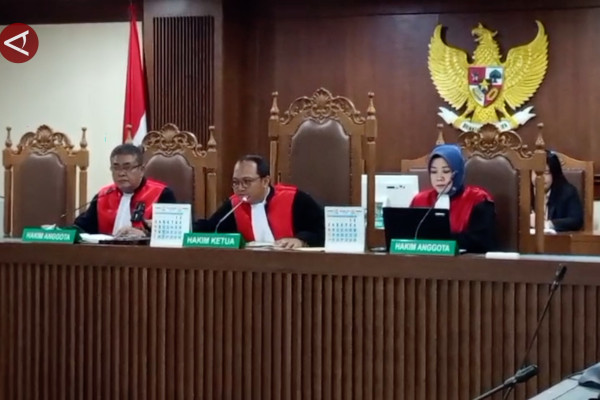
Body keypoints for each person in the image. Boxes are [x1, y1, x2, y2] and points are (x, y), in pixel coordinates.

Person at [193, 155, 325, 248]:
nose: (240, 188)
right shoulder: (234, 205)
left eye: (247, 181)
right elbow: (210, 228)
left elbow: (322, 229)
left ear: (265, 181)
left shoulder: (295, 199)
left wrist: (301, 240)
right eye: (236, 182)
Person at [74, 143, 176, 237]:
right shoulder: (103, 195)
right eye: (116, 168)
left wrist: (146, 235)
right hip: (107, 250)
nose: (121, 173)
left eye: (127, 168)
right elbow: (81, 228)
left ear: (141, 170)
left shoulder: (162, 194)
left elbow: (173, 233)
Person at [410, 144, 496, 253]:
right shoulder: (419, 200)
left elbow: (481, 242)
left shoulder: (479, 199)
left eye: (446, 171)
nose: (439, 177)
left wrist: (439, 240)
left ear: (458, 173)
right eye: (434, 172)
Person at [530, 150, 583, 232]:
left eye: (546, 173)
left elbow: (576, 220)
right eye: (536, 172)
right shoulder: (521, 190)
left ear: (554, 174)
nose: (540, 178)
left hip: (557, 238)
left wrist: (546, 224)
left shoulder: (567, 192)